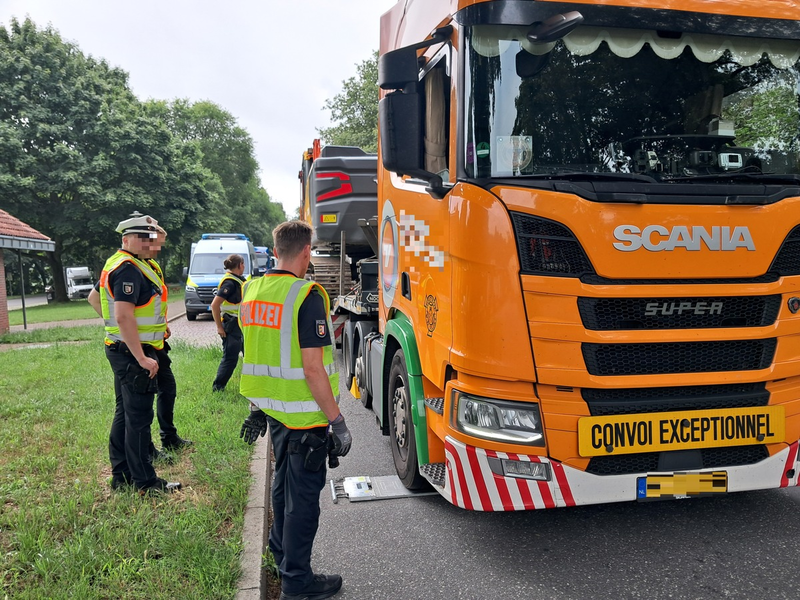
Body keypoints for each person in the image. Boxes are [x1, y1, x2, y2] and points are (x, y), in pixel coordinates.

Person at [238, 220, 352, 600]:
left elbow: (256, 351)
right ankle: (297, 584)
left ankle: (283, 559)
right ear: (306, 252)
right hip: (304, 419)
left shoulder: (252, 290)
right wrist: (337, 420)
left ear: (275, 252)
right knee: (301, 502)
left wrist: (257, 408)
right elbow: (312, 367)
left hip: (274, 412)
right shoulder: (306, 295)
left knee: (282, 491)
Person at [87, 213, 181, 495]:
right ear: (126, 239)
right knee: (139, 418)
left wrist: (126, 333)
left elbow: (95, 299)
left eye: (150, 237)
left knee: (125, 413)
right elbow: (124, 316)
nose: (151, 242)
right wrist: (140, 355)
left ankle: (121, 475)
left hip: (124, 348)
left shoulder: (128, 262)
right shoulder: (128, 268)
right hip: (132, 353)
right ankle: (145, 482)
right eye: (145, 237)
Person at [210, 254, 246, 392]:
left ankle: (250, 386)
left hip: (240, 325)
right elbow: (215, 305)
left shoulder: (238, 280)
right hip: (231, 326)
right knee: (230, 359)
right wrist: (219, 327)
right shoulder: (229, 283)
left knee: (249, 356)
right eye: (243, 265)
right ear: (240, 265)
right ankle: (218, 388)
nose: (244, 267)